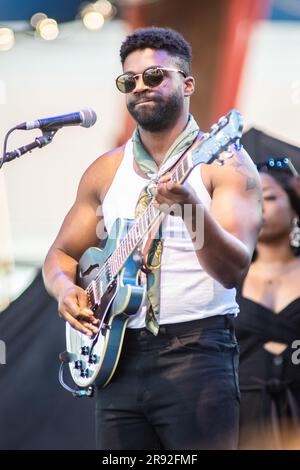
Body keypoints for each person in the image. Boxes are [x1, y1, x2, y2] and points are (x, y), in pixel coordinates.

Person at [43, 27, 262, 450]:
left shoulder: (224, 162)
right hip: (116, 356)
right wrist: (65, 289)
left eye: (155, 76)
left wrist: (190, 211)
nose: (141, 86)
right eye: (129, 81)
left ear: (188, 83)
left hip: (197, 352)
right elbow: (62, 253)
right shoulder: (106, 170)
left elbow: (233, 271)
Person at [235, 158, 300, 449]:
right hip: (242, 417)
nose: (258, 207)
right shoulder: (227, 277)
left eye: (270, 197)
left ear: (295, 208)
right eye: (250, 199)